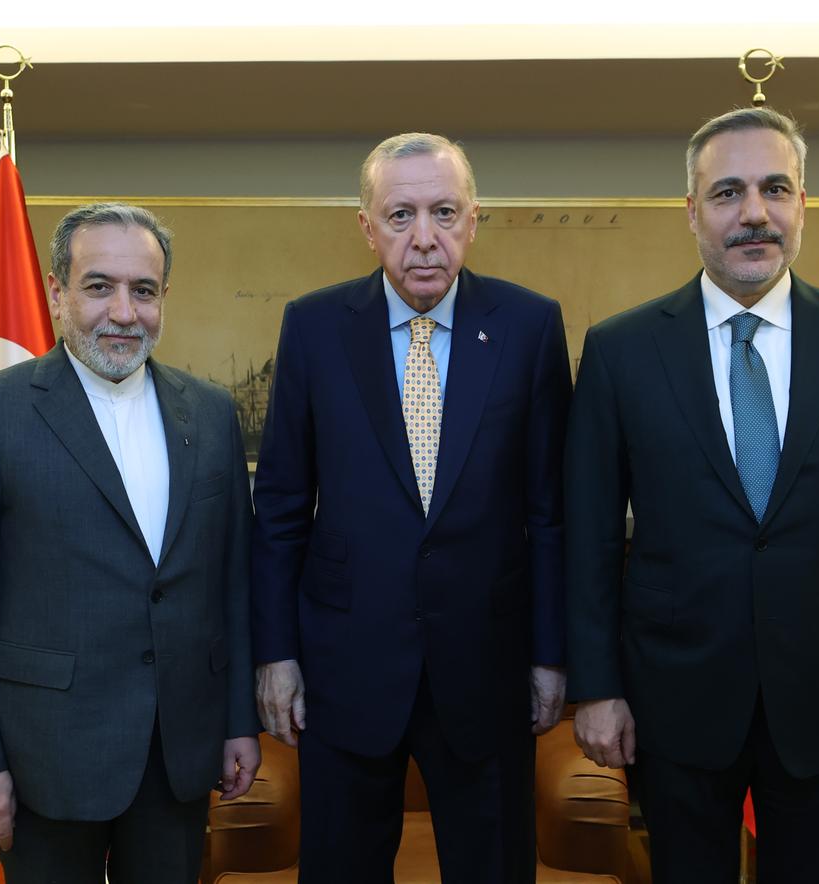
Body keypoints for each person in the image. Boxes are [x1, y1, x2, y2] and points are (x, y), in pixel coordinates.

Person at [565, 107, 819, 884]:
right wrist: (596, 689)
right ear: (693, 212)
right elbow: (591, 537)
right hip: (675, 696)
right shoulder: (620, 352)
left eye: (775, 188)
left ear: (804, 203)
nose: (754, 214)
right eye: (728, 193)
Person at [252, 133, 571, 883]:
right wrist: (276, 652)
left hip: (487, 663)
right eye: (400, 215)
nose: (423, 238)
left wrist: (551, 653)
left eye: (443, 212)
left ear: (473, 220)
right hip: (345, 661)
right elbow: (282, 507)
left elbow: (551, 510)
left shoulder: (529, 327)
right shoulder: (315, 327)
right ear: (367, 227)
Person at [0, 202, 260, 883]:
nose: (124, 313)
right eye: (99, 286)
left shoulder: (213, 412)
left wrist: (237, 722)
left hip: (178, 753)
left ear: (164, 298)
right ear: (57, 292)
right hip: (46, 755)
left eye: (144, 290)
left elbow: (232, 583)